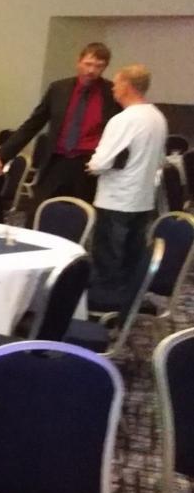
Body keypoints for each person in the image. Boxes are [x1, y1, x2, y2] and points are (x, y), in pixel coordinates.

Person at [0, 42, 119, 209]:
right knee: (38, 212)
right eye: (88, 64)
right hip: (56, 162)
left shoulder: (111, 93)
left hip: (88, 166)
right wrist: (1, 155)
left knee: (80, 216)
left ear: (105, 67)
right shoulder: (59, 89)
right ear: (79, 61)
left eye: (98, 66)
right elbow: (33, 124)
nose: (91, 70)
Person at [85, 64, 167, 312]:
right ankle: (127, 303)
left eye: (116, 83)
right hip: (142, 198)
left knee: (108, 257)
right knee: (131, 255)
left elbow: (101, 162)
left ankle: (104, 306)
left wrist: (92, 165)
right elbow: (160, 159)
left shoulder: (123, 120)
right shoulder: (157, 117)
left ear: (127, 86)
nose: (113, 88)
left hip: (116, 198)